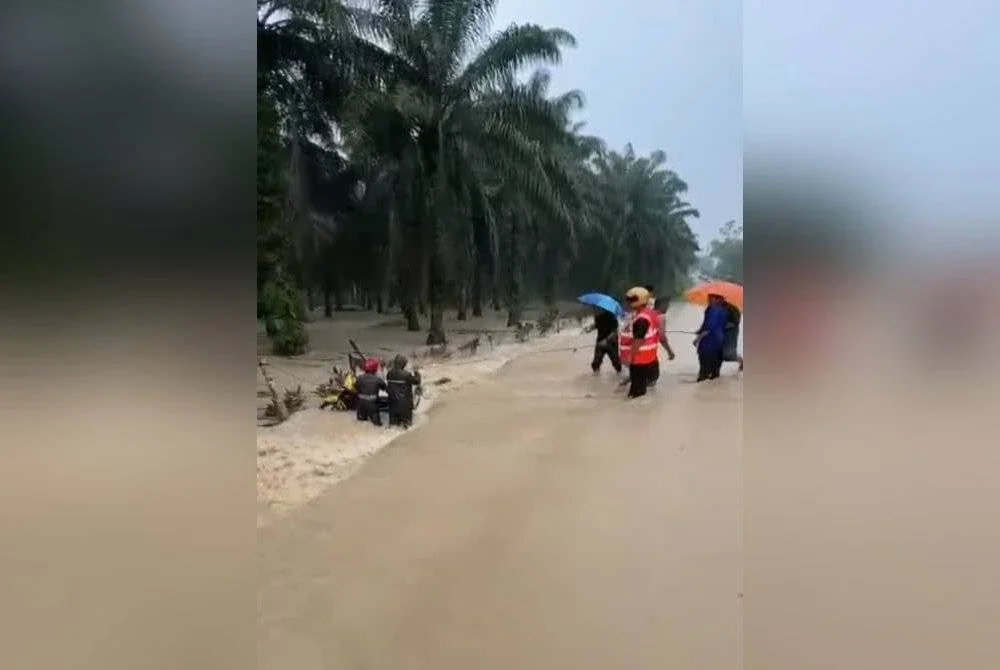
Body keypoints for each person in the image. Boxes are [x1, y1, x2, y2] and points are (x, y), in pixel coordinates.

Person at [619, 286, 661, 398]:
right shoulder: (649, 313)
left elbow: (638, 340)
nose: (628, 303)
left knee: (636, 394)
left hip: (639, 360)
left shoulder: (641, 319)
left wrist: (630, 359)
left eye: (631, 300)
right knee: (640, 390)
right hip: (648, 358)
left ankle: (637, 414)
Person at [642, 284, 676, 387]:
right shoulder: (660, 317)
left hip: (638, 353)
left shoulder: (646, 313)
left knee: (639, 379)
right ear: (662, 305)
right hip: (649, 355)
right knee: (652, 382)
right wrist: (670, 351)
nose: (668, 307)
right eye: (667, 305)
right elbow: (662, 337)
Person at [693, 294, 728, 381]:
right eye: (708, 298)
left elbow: (709, 328)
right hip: (719, 343)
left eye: (711, 298)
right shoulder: (723, 310)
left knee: (703, 373)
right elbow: (708, 325)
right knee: (715, 373)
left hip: (709, 344)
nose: (708, 300)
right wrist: (699, 330)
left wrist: (697, 339)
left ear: (718, 299)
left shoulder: (713, 310)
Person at [386, 354, 421, 428]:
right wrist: (416, 372)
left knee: (393, 426)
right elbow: (417, 381)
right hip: (405, 405)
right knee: (407, 427)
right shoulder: (407, 375)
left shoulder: (389, 373)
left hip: (392, 404)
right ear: (404, 364)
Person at [588, 307, 622, 374]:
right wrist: (591, 327)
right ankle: (596, 376)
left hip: (611, 342)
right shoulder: (597, 317)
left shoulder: (612, 317)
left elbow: (615, 331)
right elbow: (597, 325)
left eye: (597, 309)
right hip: (600, 342)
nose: (596, 310)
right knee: (596, 363)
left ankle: (619, 374)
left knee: (616, 363)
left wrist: (606, 340)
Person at [355, 357, 386, 426]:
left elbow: (356, 387)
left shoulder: (359, 378)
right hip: (372, 405)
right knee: (377, 426)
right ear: (375, 369)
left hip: (361, 404)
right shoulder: (378, 379)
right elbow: (384, 388)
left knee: (360, 424)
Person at [722, 299, 744, 372]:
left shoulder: (732, 308)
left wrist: (723, 326)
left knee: (728, 354)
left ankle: (741, 361)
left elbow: (735, 322)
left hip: (731, 333)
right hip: (722, 333)